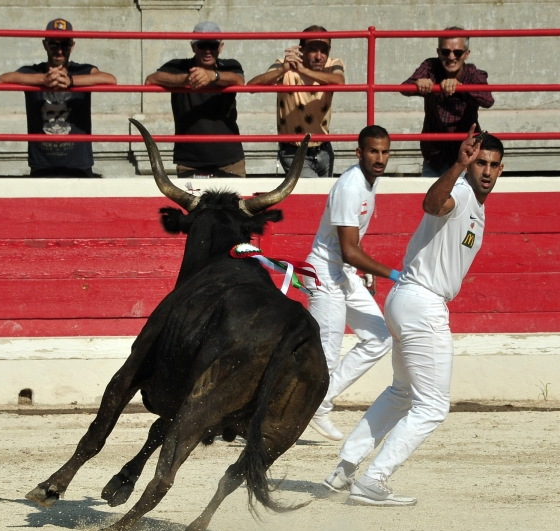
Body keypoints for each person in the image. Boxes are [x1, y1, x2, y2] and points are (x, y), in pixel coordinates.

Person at [323, 125, 504, 506]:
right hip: (422, 304)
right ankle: (373, 479)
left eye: (493, 165)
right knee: (433, 405)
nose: (485, 171)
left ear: (501, 170)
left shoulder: (475, 204)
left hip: (406, 299)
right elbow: (432, 204)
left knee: (403, 392)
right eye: (481, 163)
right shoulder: (460, 190)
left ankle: (345, 469)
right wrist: (457, 165)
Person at [304, 125, 401, 441]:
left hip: (343, 273)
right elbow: (347, 250)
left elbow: (351, 247)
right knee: (327, 358)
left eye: (385, 152)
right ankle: (312, 406)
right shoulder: (350, 187)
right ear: (359, 153)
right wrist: (393, 274)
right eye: (373, 151)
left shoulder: (368, 183)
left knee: (378, 337)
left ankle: (317, 403)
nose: (380, 158)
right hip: (326, 276)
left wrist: (366, 268)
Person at [0, 18, 117, 178]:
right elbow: (3, 79)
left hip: (79, 165)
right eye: (54, 44)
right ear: (45, 44)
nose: (59, 50)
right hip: (42, 165)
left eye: (65, 44)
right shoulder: (34, 72)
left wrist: (71, 81)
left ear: (72, 46)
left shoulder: (81, 70)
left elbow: (110, 79)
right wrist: (43, 80)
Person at [145, 22, 245, 178]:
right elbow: (151, 80)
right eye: (202, 44)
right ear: (193, 47)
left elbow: (239, 80)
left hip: (230, 160)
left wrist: (214, 76)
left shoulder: (230, 65)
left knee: (234, 202)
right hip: (189, 161)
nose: (207, 50)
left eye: (212, 45)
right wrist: (187, 80)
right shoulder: (179, 66)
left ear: (221, 46)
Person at [247, 25, 345, 177]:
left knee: (323, 197)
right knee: (313, 196)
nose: (319, 56)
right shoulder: (283, 65)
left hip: (324, 149)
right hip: (294, 151)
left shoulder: (333, 64)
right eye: (313, 49)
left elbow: (340, 82)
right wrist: (282, 70)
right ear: (301, 49)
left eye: (324, 50)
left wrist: (303, 70)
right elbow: (251, 87)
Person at [401, 26, 494, 178]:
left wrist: (462, 89)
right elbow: (404, 88)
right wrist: (419, 84)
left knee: (465, 200)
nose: (451, 57)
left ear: (466, 54)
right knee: (429, 201)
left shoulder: (473, 74)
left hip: (466, 157)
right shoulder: (430, 66)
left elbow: (488, 100)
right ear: (438, 52)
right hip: (434, 157)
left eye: (457, 52)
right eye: (445, 52)